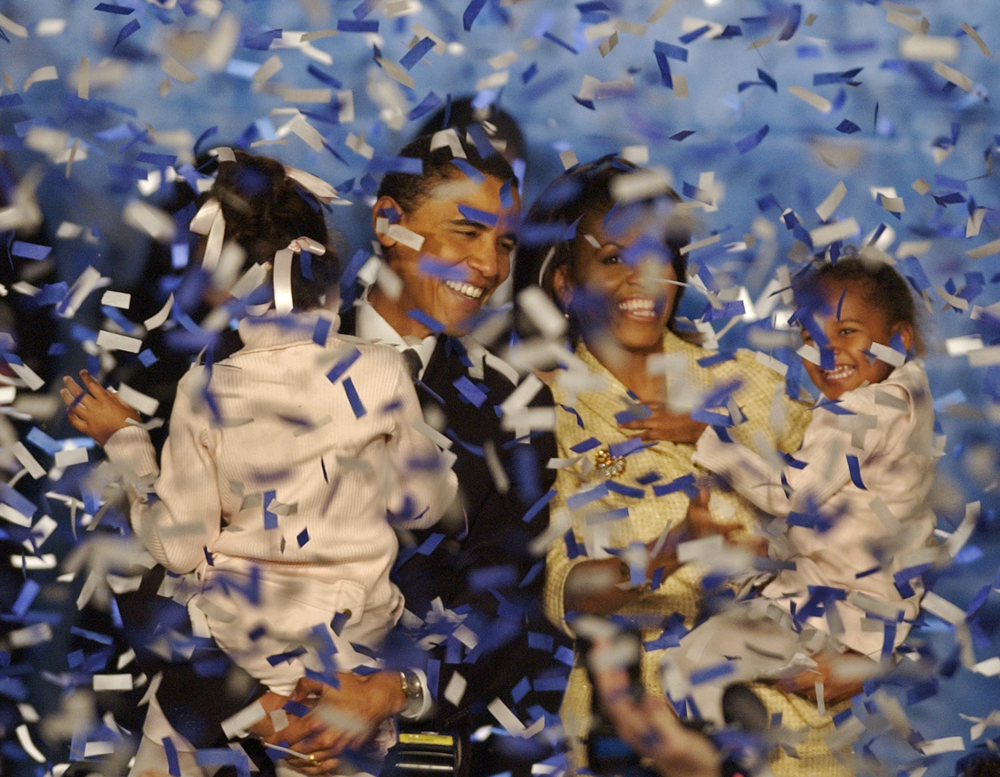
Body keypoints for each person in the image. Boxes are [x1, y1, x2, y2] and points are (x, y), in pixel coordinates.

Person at [60, 151, 457, 776]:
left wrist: (128, 444)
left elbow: (180, 549)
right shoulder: (381, 369)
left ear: (220, 285)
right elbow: (424, 505)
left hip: (241, 652)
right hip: (347, 667)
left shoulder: (206, 389)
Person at [512, 156, 864, 776]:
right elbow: (564, 596)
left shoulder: (750, 384)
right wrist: (663, 556)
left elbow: (859, 510)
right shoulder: (536, 408)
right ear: (566, 284)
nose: (643, 279)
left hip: (792, 732)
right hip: (642, 734)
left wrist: (861, 646)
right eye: (614, 258)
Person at [273, 130, 571, 777]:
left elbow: (506, 603)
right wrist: (274, 709)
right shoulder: (275, 358)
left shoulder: (517, 406)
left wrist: (388, 690)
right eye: (467, 232)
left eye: (506, 243)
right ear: (387, 222)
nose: (491, 266)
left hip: (422, 754)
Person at [675, 252, 937, 722]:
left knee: (693, 664)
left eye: (846, 332)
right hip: (868, 621)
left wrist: (704, 438)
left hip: (830, 620)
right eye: (810, 337)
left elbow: (790, 493)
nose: (827, 351)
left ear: (899, 338)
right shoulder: (910, 403)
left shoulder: (864, 410)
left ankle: (729, 756)